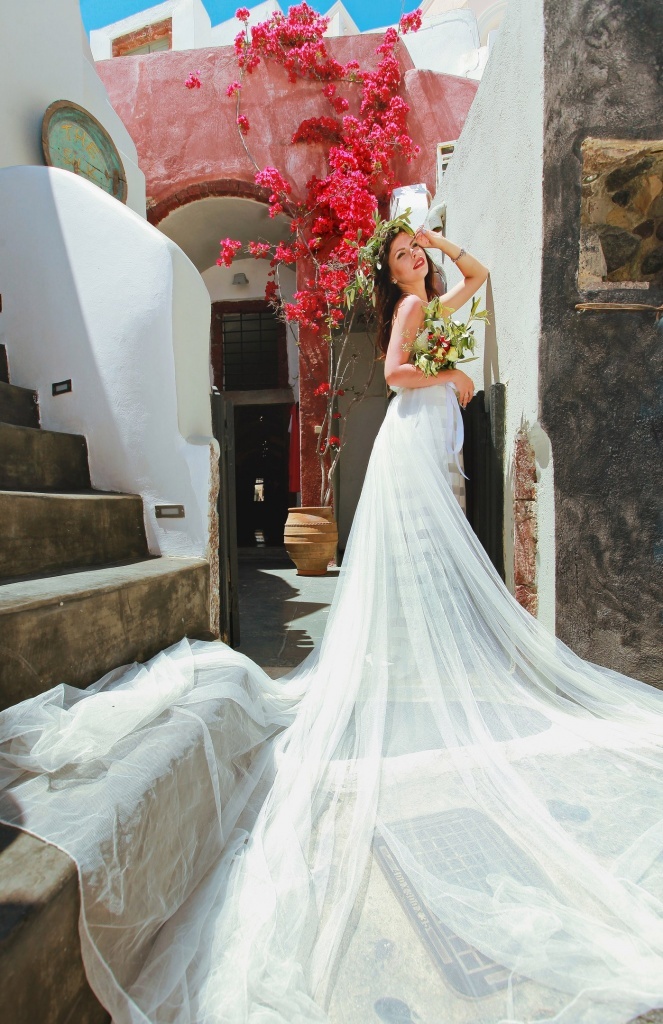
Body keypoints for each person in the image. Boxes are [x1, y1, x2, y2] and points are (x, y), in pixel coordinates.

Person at [2, 221, 663, 1024]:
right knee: (426, 552)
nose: (413, 260)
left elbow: (481, 275)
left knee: (430, 553)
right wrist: (450, 374)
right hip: (415, 432)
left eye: (414, 253)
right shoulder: (410, 312)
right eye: (401, 256)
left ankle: (426, 657)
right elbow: (393, 374)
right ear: (389, 274)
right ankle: (428, 660)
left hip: (430, 429)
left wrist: (435, 244)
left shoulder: (432, 299)